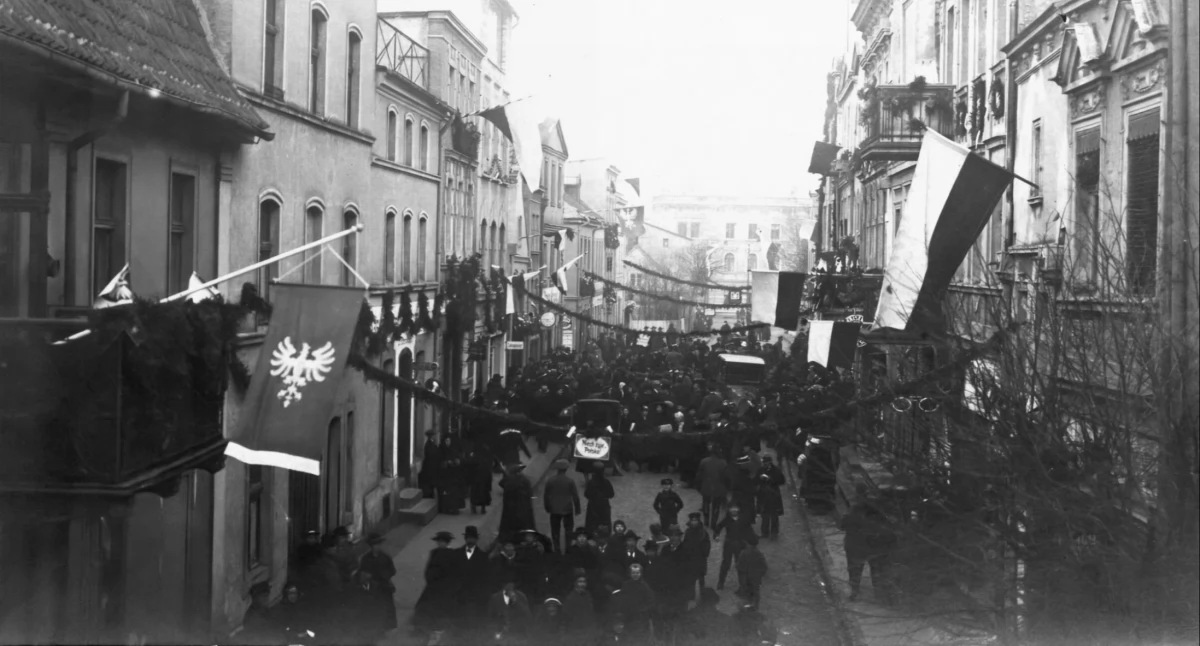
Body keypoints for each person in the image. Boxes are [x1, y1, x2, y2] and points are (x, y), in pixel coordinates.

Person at [840, 485, 897, 603]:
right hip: (875, 546)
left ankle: (854, 591)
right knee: (877, 570)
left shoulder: (855, 511)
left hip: (856, 547)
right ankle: (880, 595)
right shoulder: (881, 512)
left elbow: (843, 524)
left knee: (855, 570)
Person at [412, 531, 459, 633]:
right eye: (439, 541)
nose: (440, 543)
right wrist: (430, 577)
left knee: (440, 607)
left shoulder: (452, 554)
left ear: (446, 542)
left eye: (442, 542)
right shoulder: (434, 552)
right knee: (423, 605)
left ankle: (437, 627)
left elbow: (452, 570)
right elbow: (429, 568)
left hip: (444, 585)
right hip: (433, 584)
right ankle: (421, 628)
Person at [357, 533, 397, 633]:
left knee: (386, 607)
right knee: (372, 608)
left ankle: (386, 626)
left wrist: (384, 575)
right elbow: (362, 571)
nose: (377, 547)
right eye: (374, 545)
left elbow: (392, 570)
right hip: (372, 587)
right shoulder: (366, 558)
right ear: (371, 546)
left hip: (383, 586)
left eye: (378, 544)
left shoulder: (385, 557)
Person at [544, 458, 581, 553]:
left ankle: (557, 548)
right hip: (567, 509)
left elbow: (546, 495)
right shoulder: (570, 481)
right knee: (568, 529)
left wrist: (547, 507)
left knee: (555, 530)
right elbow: (575, 496)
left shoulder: (551, 481)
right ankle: (568, 548)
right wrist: (577, 509)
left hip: (554, 509)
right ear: (566, 469)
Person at [714, 504, 755, 591]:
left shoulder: (743, 520)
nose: (733, 511)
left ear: (738, 510)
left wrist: (751, 542)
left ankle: (743, 584)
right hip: (729, 545)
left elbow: (749, 531)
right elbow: (719, 526)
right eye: (732, 509)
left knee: (740, 565)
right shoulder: (727, 520)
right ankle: (721, 582)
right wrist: (716, 535)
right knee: (725, 564)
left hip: (739, 545)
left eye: (735, 509)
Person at [499, 463, 536, 542]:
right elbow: (529, 493)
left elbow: (501, 483)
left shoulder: (509, 480)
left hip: (510, 509)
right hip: (523, 508)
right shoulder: (524, 480)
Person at [696, 449, 729, 529]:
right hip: (719, 487)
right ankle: (713, 523)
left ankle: (706, 521)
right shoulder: (723, 463)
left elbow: (699, 476)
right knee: (716, 506)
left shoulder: (704, 461)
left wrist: (698, 486)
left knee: (706, 503)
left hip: (706, 486)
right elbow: (726, 477)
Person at [681, 512, 712, 594]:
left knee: (701, 579)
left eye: (695, 520)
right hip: (690, 559)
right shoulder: (688, 532)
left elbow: (707, 545)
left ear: (698, 521)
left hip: (700, 559)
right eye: (692, 520)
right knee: (691, 580)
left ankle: (703, 596)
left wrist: (704, 553)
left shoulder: (703, 533)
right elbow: (685, 543)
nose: (694, 522)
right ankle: (692, 596)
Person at [756, 455, 786, 539]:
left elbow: (782, 481)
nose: (764, 464)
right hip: (763, 495)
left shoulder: (776, 470)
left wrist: (770, 479)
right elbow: (756, 480)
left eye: (766, 462)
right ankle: (764, 532)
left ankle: (774, 533)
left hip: (773, 495)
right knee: (764, 515)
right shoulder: (761, 470)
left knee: (774, 515)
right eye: (763, 462)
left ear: (770, 462)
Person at [735, 533, 768, 609]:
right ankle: (755, 605)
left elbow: (739, 566)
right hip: (755, 578)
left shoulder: (744, 553)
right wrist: (759, 575)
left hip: (747, 578)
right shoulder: (758, 554)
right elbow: (764, 567)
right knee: (755, 592)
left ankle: (748, 605)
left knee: (748, 592)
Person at [584, 463, 615, 533]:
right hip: (604, 506)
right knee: (605, 525)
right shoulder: (606, 482)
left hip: (592, 506)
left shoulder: (591, 483)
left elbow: (586, 494)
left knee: (592, 525)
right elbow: (611, 494)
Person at [419, 429, 440, 499]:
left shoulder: (432, 444)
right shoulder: (429, 445)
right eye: (434, 435)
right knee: (430, 484)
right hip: (430, 467)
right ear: (431, 436)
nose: (435, 436)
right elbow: (431, 455)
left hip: (432, 467)